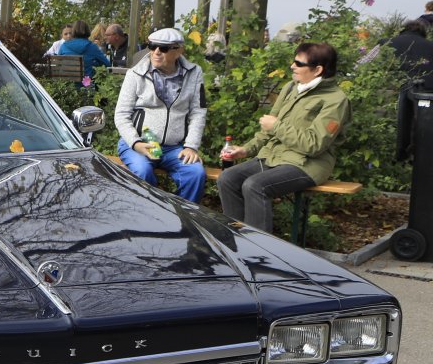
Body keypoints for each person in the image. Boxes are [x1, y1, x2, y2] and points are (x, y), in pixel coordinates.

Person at [220, 41, 350, 235]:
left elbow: (314, 145)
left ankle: (259, 248)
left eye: (299, 63)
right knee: (227, 178)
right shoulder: (290, 87)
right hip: (273, 157)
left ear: (318, 70)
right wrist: (246, 150)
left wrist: (277, 126)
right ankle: (234, 240)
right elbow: (267, 129)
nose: (292, 66)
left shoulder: (336, 100)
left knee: (255, 185)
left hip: (307, 164)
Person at [113, 27, 208, 203]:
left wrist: (191, 146)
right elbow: (121, 114)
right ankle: (150, 214)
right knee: (142, 171)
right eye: (152, 46)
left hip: (174, 147)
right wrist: (136, 143)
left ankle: (183, 215)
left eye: (163, 48)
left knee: (195, 173)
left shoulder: (194, 73)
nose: (156, 52)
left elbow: (198, 112)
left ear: (179, 51)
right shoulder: (135, 74)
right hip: (139, 143)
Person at [387, 20, 433, 89]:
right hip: (426, 90)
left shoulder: (385, 42)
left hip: (392, 89)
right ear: (423, 33)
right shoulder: (431, 45)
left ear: (402, 30)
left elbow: (370, 61)